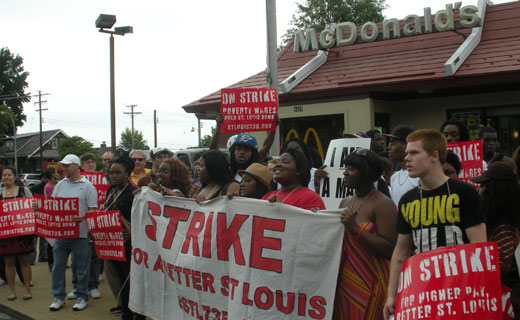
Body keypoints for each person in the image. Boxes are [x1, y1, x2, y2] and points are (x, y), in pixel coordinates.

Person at [383, 129, 487, 319]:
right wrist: (391, 295)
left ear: (434, 156)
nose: (407, 158)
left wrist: (477, 293)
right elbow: (401, 252)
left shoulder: (464, 192)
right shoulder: (407, 200)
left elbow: (478, 247)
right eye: (406, 153)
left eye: (414, 153)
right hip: (422, 290)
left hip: (459, 291)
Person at [335, 149, 397, 318]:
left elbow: (389, 248)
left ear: (367, 173)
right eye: (345, 167)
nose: (345, 172)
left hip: (372, 283)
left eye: (352, 168)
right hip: (345, 283)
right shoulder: (346, 202)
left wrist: (355, 229)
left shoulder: (383, 204)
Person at [41, 154, 98, 312]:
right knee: (58, 266)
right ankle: (58, 297)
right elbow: (52, 205)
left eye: (67, 165)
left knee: (81, 267)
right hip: (62, 233)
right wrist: (38, 208)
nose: (64, 168)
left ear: (76, 166)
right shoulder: (60, 185)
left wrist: (83, 217)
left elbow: (93, 209)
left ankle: (82, 296)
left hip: (80, 234)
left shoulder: (87, 186)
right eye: (63, 165)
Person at [102, 157, 145, 320]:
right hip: (114, 243)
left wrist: (130, 229)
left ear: (127, 174)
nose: (113, 176)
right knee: (121, 278)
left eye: (117, 173)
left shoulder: (133, 193)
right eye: (111, 173)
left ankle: (138, 313)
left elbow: (141, 220)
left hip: (130, 244)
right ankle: (126, 311)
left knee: (132, 279)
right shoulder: (110, 192)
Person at [471, 161, 520, 288]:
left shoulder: (503, 229)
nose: (478, 190)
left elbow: (500, 268)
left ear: (495, 191)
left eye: (482, 185)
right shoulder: (502, 222)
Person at [210, 114, 279, 182]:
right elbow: (213, 150)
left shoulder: (256, 163)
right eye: (238, 149)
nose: (242, 152)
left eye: (247, 150)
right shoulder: (227, 166)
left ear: (253, 154)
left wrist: (273, 128)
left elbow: (266, 146)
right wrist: (219, 127)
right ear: (233, 151)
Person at [0, 167, 34, 301]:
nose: (6, 177)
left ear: (15, 177)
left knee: (24, 261)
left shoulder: (24, 191)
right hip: (5, 234)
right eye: (4, 175)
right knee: (8, 263)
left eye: (9, 175)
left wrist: (35, 207)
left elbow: (33, 207)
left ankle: (27, 289)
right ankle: (12, 291)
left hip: (22, 233)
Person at [383, 125, 419, 205]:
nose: (389, 147)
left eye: (393, 143)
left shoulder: (419, 176)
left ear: (406, 145)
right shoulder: (394, 177)